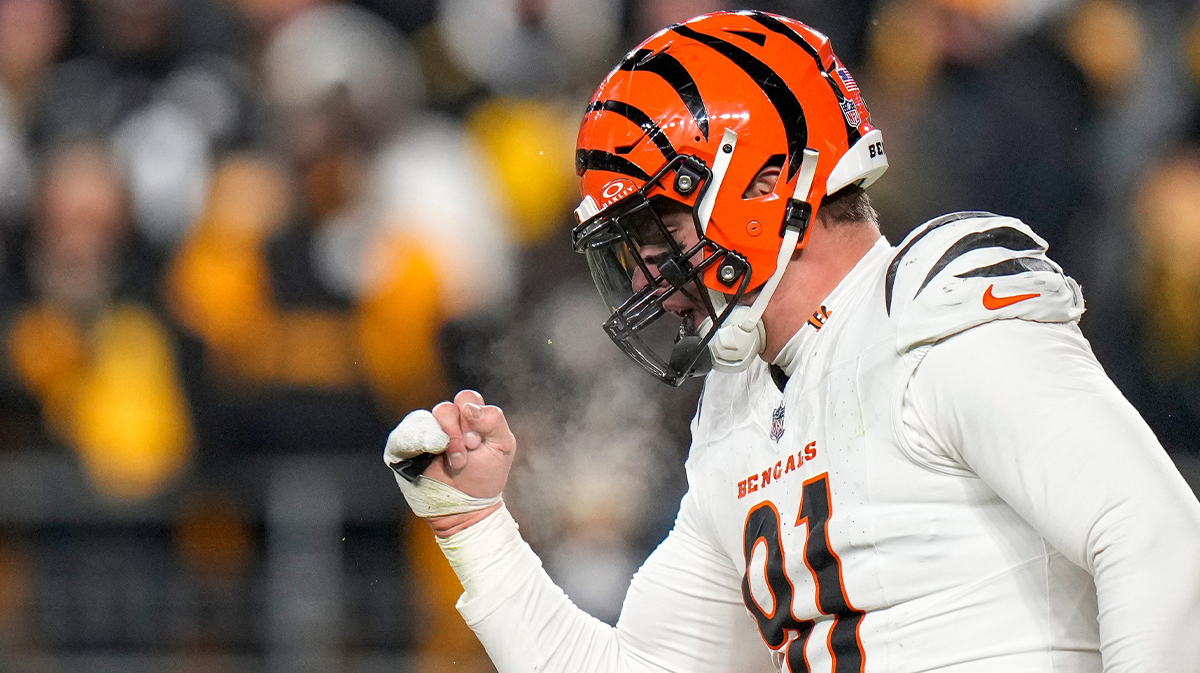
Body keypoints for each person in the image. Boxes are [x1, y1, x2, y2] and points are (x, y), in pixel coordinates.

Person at [383, 10, 1200, 673]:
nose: (645, 278)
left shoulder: (931, 313)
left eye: (659, 230)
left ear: (767, 182)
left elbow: (1154, 533)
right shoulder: (741, 407)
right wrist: (474, 525)